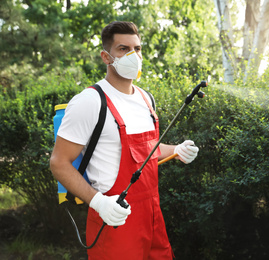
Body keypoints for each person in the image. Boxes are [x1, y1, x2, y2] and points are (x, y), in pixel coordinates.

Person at [50, 21, 199, 259]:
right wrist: (98, 203)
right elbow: (59, 163)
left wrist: (177, 150)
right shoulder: (90, 101)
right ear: (106, 57)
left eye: (137, 49)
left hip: (152, 217)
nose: (133, 55)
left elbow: (147, 149)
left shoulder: (145, 99)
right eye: (123, 49)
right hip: (113, 220)